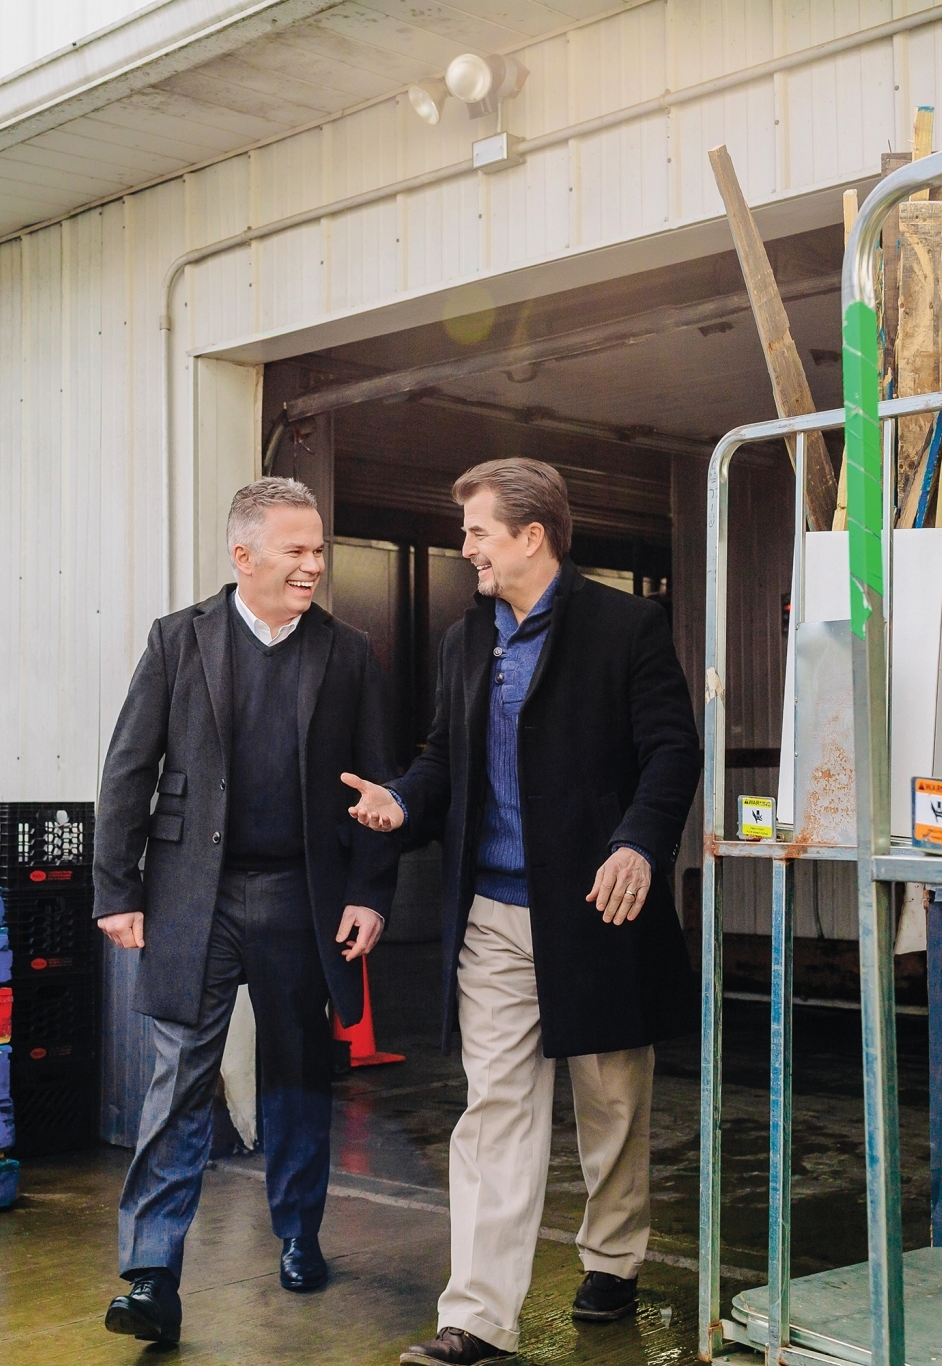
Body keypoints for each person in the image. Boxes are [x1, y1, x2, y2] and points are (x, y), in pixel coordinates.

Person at [344, 457, 702, 1365]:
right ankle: (477, 1318)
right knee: (494, 1110)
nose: (465, 548)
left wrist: (637, 843)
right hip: (496, 915)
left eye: (478, 533)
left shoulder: (629, 627)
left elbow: (671, 753)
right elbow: (439, 761)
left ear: (531, 537)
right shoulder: (466, 642)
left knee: (612, 1102)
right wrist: (402, 802)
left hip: (598, 912)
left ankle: (614, 1259)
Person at [94, 477, 400, 1346]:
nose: (313, 566)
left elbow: (377, 784)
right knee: (178, 1078)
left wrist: (371, 894)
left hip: (305, 897)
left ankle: (299, 1233)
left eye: (319, 552)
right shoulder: (178, 640)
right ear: (244, 555)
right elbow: (128, 768)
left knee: (299, 1073)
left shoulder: (348, 653)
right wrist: (116, 889)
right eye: (296, 551)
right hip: (198, 895)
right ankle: (152, 1273)